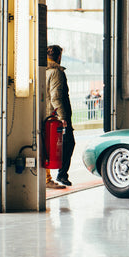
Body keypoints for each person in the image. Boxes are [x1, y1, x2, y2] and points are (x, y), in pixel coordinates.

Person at [46, 45, 75, 188]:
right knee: (69, 143)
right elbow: (56, 97)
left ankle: (54, 175)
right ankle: (62, 174)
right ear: (59, 57)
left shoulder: (43, 71)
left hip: (47, 115)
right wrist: (63, 117)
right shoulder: (56, 73)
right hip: (56, 116)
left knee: (49, 146)